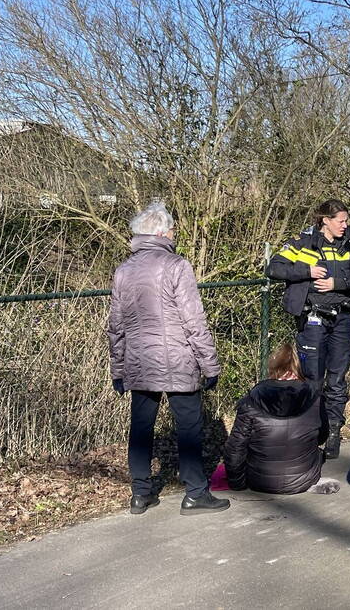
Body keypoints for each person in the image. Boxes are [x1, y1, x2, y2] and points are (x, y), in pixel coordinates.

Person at [108, 201, 230, 516]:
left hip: (139, 360)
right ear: (162, 232)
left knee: (141, 426)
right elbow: (194, 322)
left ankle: (140, 493)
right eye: (173, 227)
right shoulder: (177, 265)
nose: (175, 232)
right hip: (177, 358)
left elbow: (116, 327)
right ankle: (195, 493)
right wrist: (210, 364)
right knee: (188, 426)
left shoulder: (123, 271)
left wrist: (117, 370)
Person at [265, 199, 350, 460]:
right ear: (325, 220)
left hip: (343, 319)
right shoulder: (302, 242)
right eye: (340, 221)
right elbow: (274, 268)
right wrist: (306, 271)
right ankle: (312, 432)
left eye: (346, 220)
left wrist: (337, 282)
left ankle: (334, 430)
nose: (345, 226)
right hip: (312, 319)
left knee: (337, 378)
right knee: (312, 378)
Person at [223, 343, 341, 495]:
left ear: (274, 368)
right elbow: (322, 436)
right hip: (304, 480)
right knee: (318, 452)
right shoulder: (315, 399)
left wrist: (237, 484)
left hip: (259, 481)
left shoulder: (252, 400)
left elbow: (235, 447)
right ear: (298, 369)